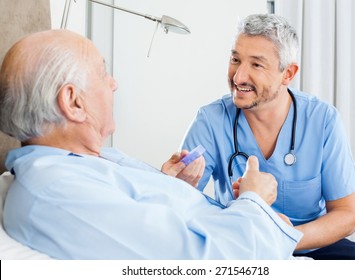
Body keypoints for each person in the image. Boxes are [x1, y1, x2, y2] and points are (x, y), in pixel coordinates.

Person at [0, 29, 303, 260]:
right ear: (73, 102)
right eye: (102, 72)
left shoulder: (90, 159)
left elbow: (145, 219)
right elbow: (211, 262)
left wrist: (169, 184)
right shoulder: (55, 193)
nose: (113, 83)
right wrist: (255, 201)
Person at [180, 14, 355, 260]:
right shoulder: (211, 120)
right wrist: (178, 184)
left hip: (309, 242)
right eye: (235, 59)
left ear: (288, 73)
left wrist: (284, 238)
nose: (238, 76)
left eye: (256, 65)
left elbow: (347, 215)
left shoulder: (322, 120)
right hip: (240, 246)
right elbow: (181, 207)